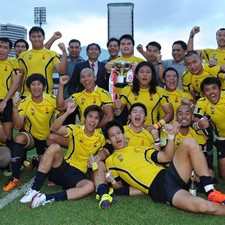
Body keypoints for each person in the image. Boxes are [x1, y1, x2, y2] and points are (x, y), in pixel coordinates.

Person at [100, 121, 225, 215]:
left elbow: (166, 157)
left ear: (123, 134)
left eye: (119, 133)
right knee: (205, 207)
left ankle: (210, 191)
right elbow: (119, 187)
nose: (117, 137)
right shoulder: (111, 161)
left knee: (189, 142)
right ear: (109, 141)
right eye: (112, 135)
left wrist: (171, 137)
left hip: (169, 173)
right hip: (160, 187)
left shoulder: (139, 148)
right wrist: (111, 180)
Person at [20, 104, 105, 208]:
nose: (92, 120)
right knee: (54, 147)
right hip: (63, 168)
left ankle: (45, 198)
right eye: (90, 116)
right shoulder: (75, 129)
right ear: (85, 118)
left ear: (99, 121)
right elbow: (54, 128)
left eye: (96, 118)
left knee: (90, 186)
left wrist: (96, 160)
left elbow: (104, 152)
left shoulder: (100, 138)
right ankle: (34, 189)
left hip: (78, 176)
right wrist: (67, 113)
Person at [3, 74, 58, 192]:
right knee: (19, 138)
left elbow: (62, 110)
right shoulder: (24, 102)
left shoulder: (51, 99)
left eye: (39, 84)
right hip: (32, 136)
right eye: (33, 84)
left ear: (43, 87)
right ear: (29, 87)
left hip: (48, 138)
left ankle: (35, 161)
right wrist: (14, 108)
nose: (36, 87)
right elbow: (18, 126)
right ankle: (15, 177)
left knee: (51, 175)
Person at [114, 61, 173, 126]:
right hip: (131, 132)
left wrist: (157, 126)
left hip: (151, 131)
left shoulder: (160, 91)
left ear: (152, 75)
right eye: (141, 72)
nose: (145, 75)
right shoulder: (127, 90)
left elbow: (170, 114)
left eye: (148, 72)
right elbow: (117, 113)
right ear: (136, 75)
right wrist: (117, 108)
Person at [18, 26, 67, 97]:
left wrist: (64, 52)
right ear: (29, 38)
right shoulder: (22, 56)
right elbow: (19, 78)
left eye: (39, 36)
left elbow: (62, 71)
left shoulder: (52, 54)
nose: (36, 39)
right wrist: (17, 93)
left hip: (46, 96)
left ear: (44, 38)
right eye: (33, 36)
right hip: (26, 96)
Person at [194, 77, 225, 179]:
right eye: (207, 90)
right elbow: (195, 121)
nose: (211, 92)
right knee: (223, 174)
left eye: (214, 88)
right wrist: (200, 124)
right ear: (203, 93)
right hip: (221, 138)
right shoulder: (202, 102)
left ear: (220, 89)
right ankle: (209, 164)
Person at [0, 37, 23, 143]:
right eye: (0, 47)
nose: (1, 50)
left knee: (7, 137)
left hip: (6, 101)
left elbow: (16, 83)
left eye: (5, 47)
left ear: (9, 50)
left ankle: (10, 157)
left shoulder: (13, 63)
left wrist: (5, 101)